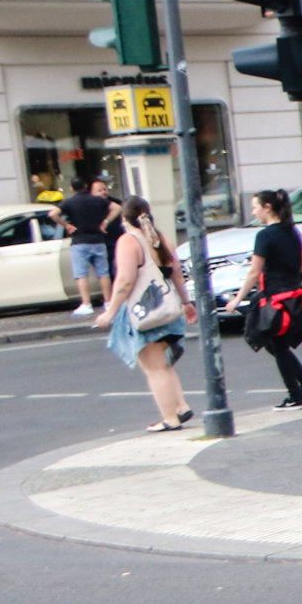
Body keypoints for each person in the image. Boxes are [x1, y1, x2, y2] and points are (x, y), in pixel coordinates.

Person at [95, 194, 191, 432]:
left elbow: (125, 281)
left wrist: (111, 311)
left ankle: (169, 417)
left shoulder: (129, 241)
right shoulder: (161, 238)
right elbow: (177, 273)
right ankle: (180, 406)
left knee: (153, 367)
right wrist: (187, 302)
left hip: (146, 312)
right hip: (169, 309)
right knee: (163, 363)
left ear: (124, 218)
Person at [233, 189, 302, 409]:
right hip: (295, 297)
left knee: (276, 345)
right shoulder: (292, 231)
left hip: (275, 299)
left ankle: (296, 394)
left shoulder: (265, 236)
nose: (253, 211)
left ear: (267, 207)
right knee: (274, 344)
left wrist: (237, 299)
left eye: (255, 207)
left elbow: (254, 272)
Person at [55, 172, 120, 317]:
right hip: (98, 240)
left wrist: (67, 225)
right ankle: (108, 301)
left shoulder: (69, 202)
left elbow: (53, 213)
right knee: (103, 273)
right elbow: (117, 208)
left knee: (81, 274)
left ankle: (86, 304)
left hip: (79, 241)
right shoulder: (97, 200)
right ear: (86, 187)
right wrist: (105, 223)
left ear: (71, 188)